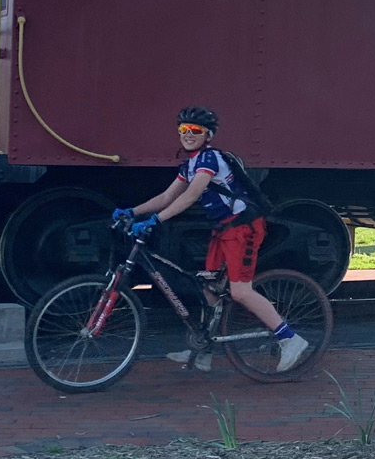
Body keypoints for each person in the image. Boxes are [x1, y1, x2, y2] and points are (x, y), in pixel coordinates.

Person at [114, 106, 310, 373]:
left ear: (208, 135)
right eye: (183, 129)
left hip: (244, 228)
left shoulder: (209, 160)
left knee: (240, 291)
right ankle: (203, 351)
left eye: (195, 130)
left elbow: (190, 197)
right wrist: (133, 211)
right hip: (224, 229)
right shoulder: (191, 164)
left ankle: (290, 339)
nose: (188, 134)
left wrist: (156, 220)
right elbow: (166, 197)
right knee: (210, 289)